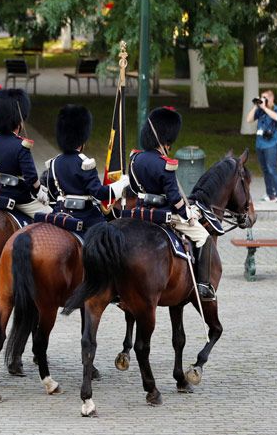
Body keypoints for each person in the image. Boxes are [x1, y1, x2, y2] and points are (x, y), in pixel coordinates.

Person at [129, 107, 215, 300]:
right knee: (204, 236)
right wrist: (189, 215)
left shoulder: (135, 159)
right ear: (166, 138)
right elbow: (175, 199)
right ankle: (203, 286)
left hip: (140, 212)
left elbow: (135, 188)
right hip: (164, 214)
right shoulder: (165, 163)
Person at [45, 105, 129, 232]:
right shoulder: (85, 163)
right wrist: (121, 184)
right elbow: (99, 193)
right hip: (85, 216)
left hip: (59, 212)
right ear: (82, 138)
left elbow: (51, 192)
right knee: (109, 236)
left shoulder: (54, 162)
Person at [0, 88, 49, 224]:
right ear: (19, 121)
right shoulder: (21, 145)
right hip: (15, 195)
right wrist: (40, 193)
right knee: (50, 215)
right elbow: (31, 178)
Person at [246, 90, 277, 202]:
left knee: (272, 169)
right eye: (262, 97)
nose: (263, 100)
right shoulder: (260, 110)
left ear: (271, 99)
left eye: (265, 98)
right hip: (260, 144)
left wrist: (265, 108)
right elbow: (248, 119)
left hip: (272, 144)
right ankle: (270, 194)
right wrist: (255, 106)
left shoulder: (276, 108)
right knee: (265, 170)